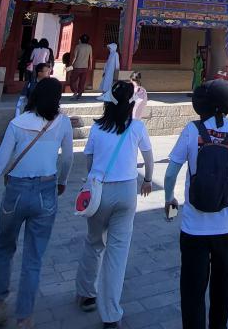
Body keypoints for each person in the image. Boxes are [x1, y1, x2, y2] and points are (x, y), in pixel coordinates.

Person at [0, 77, 73, 329]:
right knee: (34, 255)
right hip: (46, 189)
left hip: (16, 190)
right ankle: (25, 317)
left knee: (3, 246)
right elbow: (68, 159)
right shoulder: (61, 123)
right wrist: (62, 182)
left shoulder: (17, 123)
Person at [164, 80, 228, 329]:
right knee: (222, 288)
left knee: (192, 292)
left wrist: (169, 200)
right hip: (227, 228)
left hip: (194, 227)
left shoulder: (192, 131)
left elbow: (171, 172)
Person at [75, 80, 154, 328]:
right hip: (127, 191)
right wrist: (148, 180)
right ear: (131, 102)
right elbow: (149, 159)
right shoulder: (137, 127)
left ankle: (87, 293)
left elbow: (89, 160)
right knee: (117, 253)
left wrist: (94, 181)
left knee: (94, 242)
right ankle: (110, 314)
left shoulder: (98, 128)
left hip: (100, 190)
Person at [70, 34, 95, 99]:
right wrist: (91, 66)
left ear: (80, 40)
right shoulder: (89, 47)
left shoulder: (78, 46)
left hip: (77, 66)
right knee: (82, 81)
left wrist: (71, 64)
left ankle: (75, 91)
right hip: (85, 67)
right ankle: (79, 94)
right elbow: (91, 57)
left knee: (72, 80)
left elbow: (75, 57)